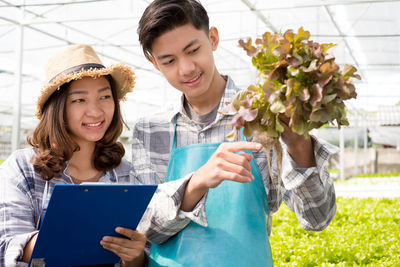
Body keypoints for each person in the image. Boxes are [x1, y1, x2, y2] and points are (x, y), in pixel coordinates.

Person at [133, 0, 338, 266]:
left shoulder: (265, 116)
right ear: (154, 64)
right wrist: (196, 183)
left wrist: (298, 144)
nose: (186, 69)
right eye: (169, 61)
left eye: (193, 50)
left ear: (213, 38)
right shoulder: (150, 131)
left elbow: (317, 218)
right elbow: (144, 231)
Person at [0, 44, 146, 267]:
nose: (96, 111)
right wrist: (66, 234)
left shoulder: (125, 173)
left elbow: (139, 255)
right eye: (79, 100)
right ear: (57, 107)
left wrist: (135, 256)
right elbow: (7, 247)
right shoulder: (21, 168)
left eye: (105, 96)